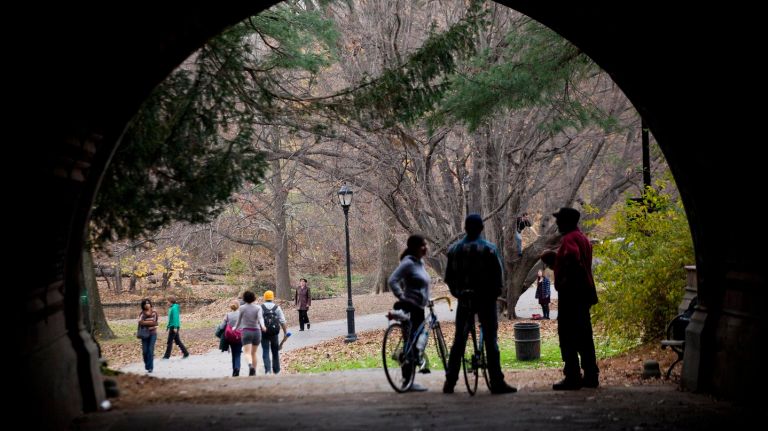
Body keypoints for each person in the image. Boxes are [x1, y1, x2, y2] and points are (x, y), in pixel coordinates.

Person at [443, 214, 517, 395]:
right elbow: (498, 276)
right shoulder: (489, 249)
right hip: (486, 299)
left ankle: (450, 382)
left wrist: (458, 293)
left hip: (464, 299)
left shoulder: (454, 250)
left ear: (465, 228)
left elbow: (449, 278)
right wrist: (495, 294)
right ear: (481, 228)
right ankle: (497, 381)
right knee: (491, 339)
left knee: (459, 339)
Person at [540, 207, 599, 390]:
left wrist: (561, 270)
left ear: (567, 222)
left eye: (559, 220)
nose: (557, 223)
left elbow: (572, 258)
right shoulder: (583, 239)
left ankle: (572, 375)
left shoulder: (570, 239)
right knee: (584, 335)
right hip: (585, 293)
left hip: (572, 295)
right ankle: (591, 375)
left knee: (567, 335)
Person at [387, 234, 431, 392]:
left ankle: (409, 378)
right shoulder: (408, 263)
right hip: (409, 307)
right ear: (414, 247)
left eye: (425, 244)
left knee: (413, 341)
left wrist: (428, 299)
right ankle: (408, 380)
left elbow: (422, 285)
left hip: (419, 307)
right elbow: (392, 280)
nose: (425, 247)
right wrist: (402, 297)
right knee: (410, 342)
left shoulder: (420, 263)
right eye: (422, 245)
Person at [234, 290, 266, 376]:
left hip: (246, 332)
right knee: (254, 353)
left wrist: (235, 328)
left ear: (244, 298)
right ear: (254, 298)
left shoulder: (242, 308)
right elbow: (261, 318)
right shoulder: (258, 307)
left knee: (247, 352)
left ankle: (250, 365)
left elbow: (238, 320)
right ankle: (253, 372)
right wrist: (263, 326)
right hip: (257, 332)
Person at [260, 290, 288, 375]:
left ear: (264, 297)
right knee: (275, 351)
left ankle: (267, 370)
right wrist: (285, 332)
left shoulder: (261, 307)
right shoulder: (277, 308)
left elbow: (258, 321)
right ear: (273, 297)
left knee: (265, 350)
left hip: (264, 333)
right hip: (274, 333)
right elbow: (282, 321)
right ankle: (276, 370)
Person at [162, 295, 190, 359]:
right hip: (172, 326)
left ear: (170, 301)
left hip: (174, 327)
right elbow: (171, 319)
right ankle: (186, 353)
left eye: (167, 301)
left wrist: (175, 327)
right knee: (177, 341)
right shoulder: (172, 308)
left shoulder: (174, 308)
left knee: (169, 342)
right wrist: (167, 326)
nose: (167, 303)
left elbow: (175, 318)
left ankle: (166, 356)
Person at [138, 298, 159, 373]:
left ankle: (150, 367)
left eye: (148, 303)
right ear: (143, 305)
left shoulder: (154, 312)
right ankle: (147, 364)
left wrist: (145, 323)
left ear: (150, 304)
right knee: (145, 351)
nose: (147, 304)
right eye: (145, 303)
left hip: (153, 334)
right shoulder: (142, 313)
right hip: (144, 334)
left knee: (150, 350)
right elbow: (140, 322)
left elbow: (156, 323)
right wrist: (151, 323)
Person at [223, 300, 242, 376]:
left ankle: (234, 370)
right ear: (238, 306)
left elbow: (222, 326)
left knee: (233, 353)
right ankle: (237, 368)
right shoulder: (241, 314)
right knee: (238, 353)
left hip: (231, 337)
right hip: (240, 336)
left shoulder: (228, 315)